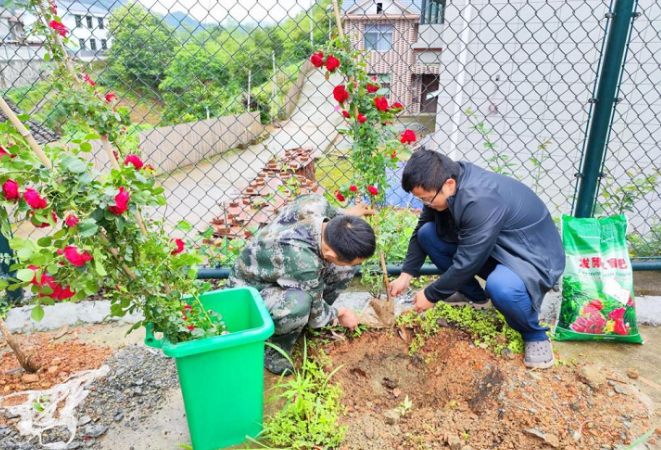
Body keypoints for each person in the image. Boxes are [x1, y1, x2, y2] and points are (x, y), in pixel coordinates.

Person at [389, 149, 565, 369]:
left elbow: (468, 260)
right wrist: (407, 274)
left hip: (531, 256)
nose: (426, 205)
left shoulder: (480, 199)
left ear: (449, 185)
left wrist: (431, 295)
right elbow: (421, 229)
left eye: (427, 199)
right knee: (428, 234)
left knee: (502, 287)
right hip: (496, 248)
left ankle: (534, 334)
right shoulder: (446, 185)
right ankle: (475, 297)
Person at [227, 194, 375, 374]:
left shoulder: (314, 204)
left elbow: (332, 214)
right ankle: (274, 350)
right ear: (330, 256)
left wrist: (347, 213)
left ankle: (301, 325)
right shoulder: (303, 263)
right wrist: (341, 313)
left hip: (277, 272)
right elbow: (317, 312)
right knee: (299, 303)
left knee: (343, 270)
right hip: (250, 291)